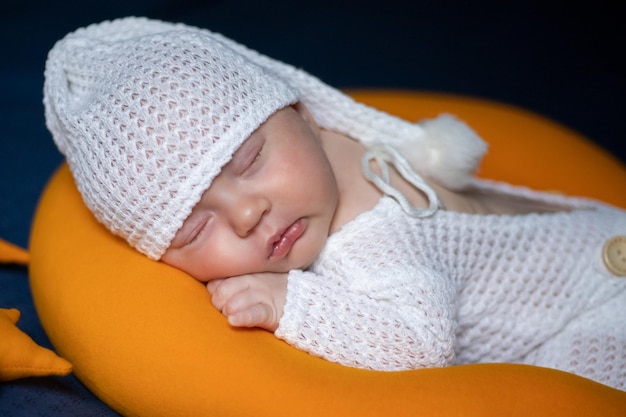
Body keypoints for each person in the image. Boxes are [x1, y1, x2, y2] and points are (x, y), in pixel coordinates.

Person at [43, 17, 626, 390]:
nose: (248, 216)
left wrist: (293, 304)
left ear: (303, 115)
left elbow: (421, 343)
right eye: (195, 229)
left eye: (248, 162)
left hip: (599, 306)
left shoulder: (368, 242)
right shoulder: (334, 147)